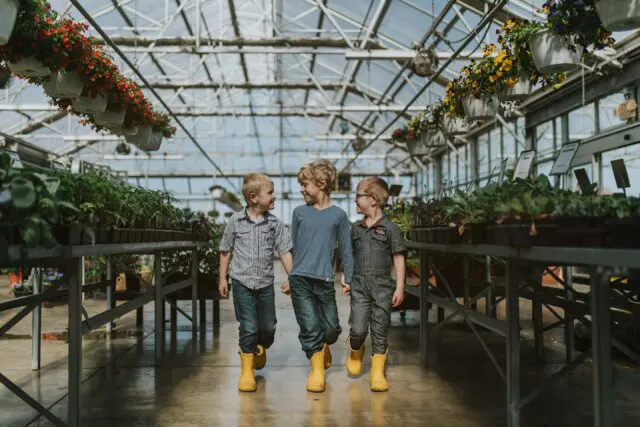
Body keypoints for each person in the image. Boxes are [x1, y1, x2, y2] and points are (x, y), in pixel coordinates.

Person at [218, 173, 293, 392]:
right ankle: (247, 372)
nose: (274, 197)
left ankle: (260, 346)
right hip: (241, 283)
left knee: (268, 327)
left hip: (265, 285)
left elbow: (285, 252)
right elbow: (225, 250)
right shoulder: (236, 221)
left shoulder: (275, 224)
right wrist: (222, 278)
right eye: (270, 193)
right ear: (253, 198)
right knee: (249, 326)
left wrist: (293, 277)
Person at [288, 159, 354, 393]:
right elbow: (293, 247)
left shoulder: (339, 215)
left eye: (305, 184)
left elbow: (346, 249)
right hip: (300, 279)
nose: (301, 189)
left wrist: (348, 277)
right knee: (310, 326)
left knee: (332, 329)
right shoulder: (298, 213)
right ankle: (316, 371)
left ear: (322, 183)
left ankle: (323, 347)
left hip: (325, 280)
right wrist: (290, 276)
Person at [345, 177, 406, 392]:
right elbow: (349, 256)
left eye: (358, 196)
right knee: (358, 328)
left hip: (383, 287)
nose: (355, 200)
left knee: (380, 328)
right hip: (359, 285)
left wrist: (399, 287)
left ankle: (377, 372)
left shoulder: (390, 229)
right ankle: (356, 349)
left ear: (373, 199)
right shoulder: (355, 229)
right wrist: (347, 276)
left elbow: (398, 258)